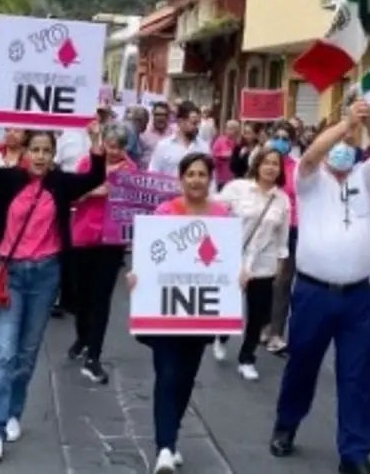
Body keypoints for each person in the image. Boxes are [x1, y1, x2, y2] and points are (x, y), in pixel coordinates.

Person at [0, 123, 106, 463]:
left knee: (27, 353)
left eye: (47, 151)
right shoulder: (8, 179)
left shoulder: (60, 184)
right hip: (10, 275)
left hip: (45, 276)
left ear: (53, 155)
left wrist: (97, 142)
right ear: (25, 152)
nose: (41, 156)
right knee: (3, 352)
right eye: (36, 150)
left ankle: (15, 411)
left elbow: (92, 178)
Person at [269, 99, 370, 474]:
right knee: (303, 362)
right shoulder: (308, 181)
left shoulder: (365, 179)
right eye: (337, 145)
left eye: (348, 145)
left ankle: (354, 452)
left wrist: (369, 126)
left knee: (359, 373)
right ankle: (286, 424)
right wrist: (344, 125)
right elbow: (310, 155)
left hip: (358, 296)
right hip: (313, 293)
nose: (341, 151)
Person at [126, 152, 231, 474]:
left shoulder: (222, 216)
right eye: (191, 174)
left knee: (185, 379)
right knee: (167, 375)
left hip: (200, 313)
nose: (196, 180)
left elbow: (225, 259)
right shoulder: (164, 212)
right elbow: (149, 256)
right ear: (181, 178)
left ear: (210, 179)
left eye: (202, 174)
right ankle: (164, 448)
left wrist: (237, 275)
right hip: (165, 311)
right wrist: (136, 277)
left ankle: (171, 436)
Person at [214, 144, 292, 379]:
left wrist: (281, 260)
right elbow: (214, 209)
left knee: (257, 313)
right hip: (233, 258)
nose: (270, 168)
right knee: (228, 305)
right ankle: (222, 335)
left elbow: (282, 235)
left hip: (264, 262)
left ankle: (247, 358)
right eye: (266, 163)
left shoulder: (282, 200)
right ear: (257, 165)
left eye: (275, 165)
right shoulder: (238, 188)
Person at [66, 124, 135, 385]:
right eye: (110, 145)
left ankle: (94, 354)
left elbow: (136, 204)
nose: (114, 151)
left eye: (118, 147)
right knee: (80, 295)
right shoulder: (88, 162)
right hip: (83, 237)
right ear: (103, 142)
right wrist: (96, 191)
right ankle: (83, 336)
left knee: (101, 298)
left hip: (111, 241)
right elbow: (71, 196)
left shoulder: (131, 170)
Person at [265, 121, 299, 354]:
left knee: (283, 282)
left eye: (285, 138)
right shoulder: (264, 165)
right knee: (264, 280)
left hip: (292, 229)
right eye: (277, 136)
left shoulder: (297, 168)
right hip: (267, 228)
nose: (281, 141)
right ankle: (263, 325)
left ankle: (276, 333)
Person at [148, 101, 210, 175]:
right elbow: (152, 174)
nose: (197, 127)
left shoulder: (204, 148)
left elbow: (211, 179)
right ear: (180, 122)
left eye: (198, 124)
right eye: (194, 123)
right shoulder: (163, 146)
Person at [139, 101, 174, 168]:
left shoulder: (174, 135)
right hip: (147, 175)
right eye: (158, 114)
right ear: (153, 115)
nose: (161, 117)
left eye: (164, 114)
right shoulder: (144, 135)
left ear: (168, 116)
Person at [211, 119, 240, 190]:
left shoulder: (238, 143)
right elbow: (213, 156)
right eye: (229, 128)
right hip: (221, 176)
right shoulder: (219, 141)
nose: (231, 131)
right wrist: (223, 155)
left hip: (234, 177)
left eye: (233, 129)